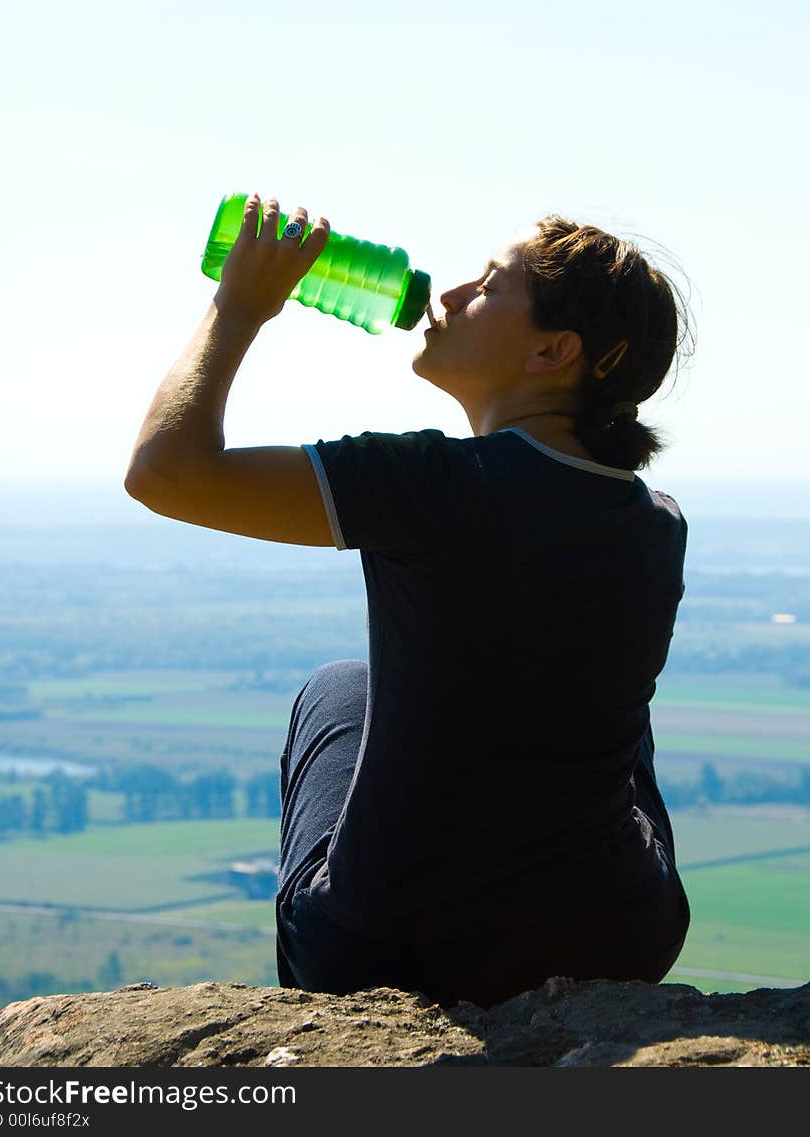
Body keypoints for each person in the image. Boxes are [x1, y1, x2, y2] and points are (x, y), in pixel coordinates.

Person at [124, 196, 695, 1010]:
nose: (454, 293)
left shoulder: (433, 485)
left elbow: (164, 470)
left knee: (338, 686)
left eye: (492, 285)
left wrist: (240, 305)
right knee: (601, 700)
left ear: (553, 350)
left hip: (385, 951)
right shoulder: (657, 524)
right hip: (616, 936)